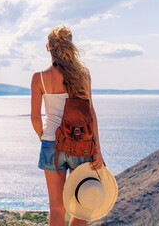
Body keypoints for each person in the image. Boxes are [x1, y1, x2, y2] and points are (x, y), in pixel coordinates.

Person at [30, 25, 105, 226]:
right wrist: (97, 150)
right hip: (81, 144)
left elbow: (35, 118)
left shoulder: (39, 78)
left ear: (49, 47)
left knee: (56, 208)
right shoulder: (83, 75)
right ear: (71, 45)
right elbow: (91, 114)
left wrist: (45, 138)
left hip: (51, 145)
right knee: (81, 205)